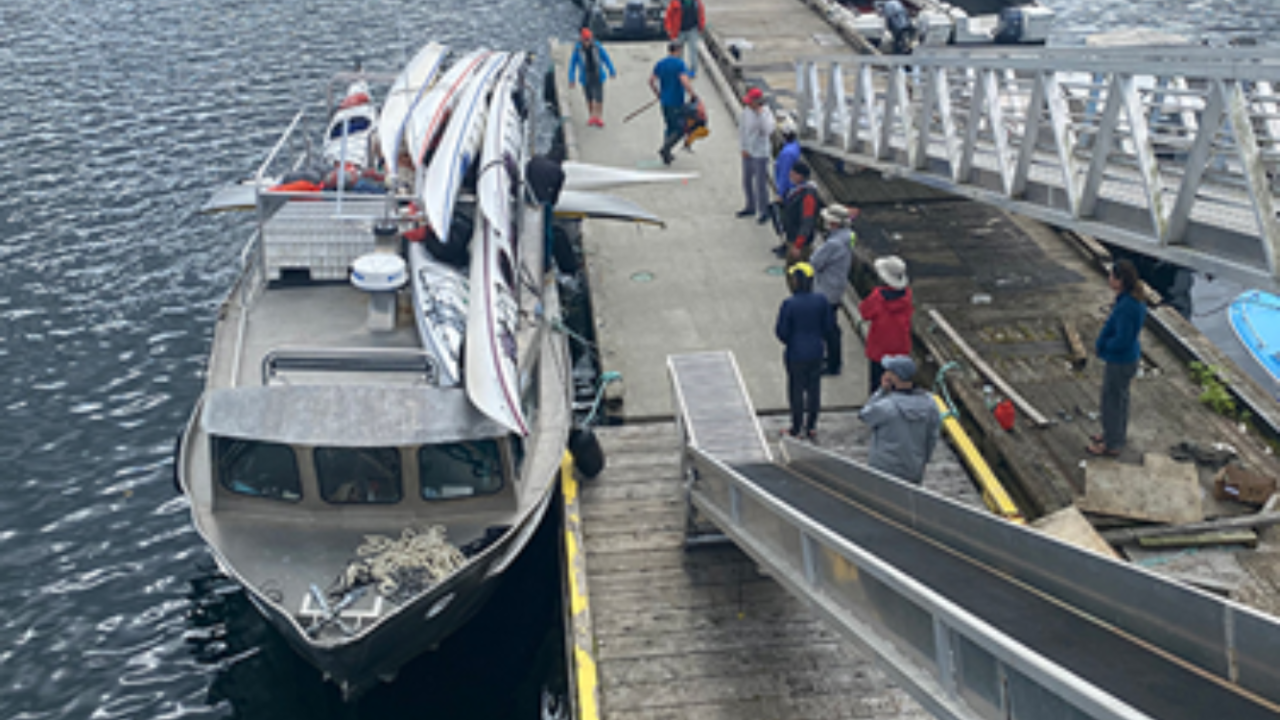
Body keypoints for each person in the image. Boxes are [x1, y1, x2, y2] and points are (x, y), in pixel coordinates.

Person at [1088, 259, 1148, 457]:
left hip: (1120, 360)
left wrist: (1104, 347)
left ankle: (1112, 444)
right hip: (1128, 358)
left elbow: (1123, 338)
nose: (1109, 279)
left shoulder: (1126, 307)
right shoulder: (1132, 300)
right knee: (1120, 399)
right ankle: (1114, 435)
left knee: (1111, 401)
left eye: (1112, 276)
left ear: (1121, 281)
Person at [858, 354, 940, 484]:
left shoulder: (886, 407)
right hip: (913, 469)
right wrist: (923, 462)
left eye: (888, 372)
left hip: (884, 470)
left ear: (894, 378)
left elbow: (865, 415)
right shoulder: (929, 403)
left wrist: (882, 391)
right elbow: (932, 436)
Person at [775, 262, 834, 441]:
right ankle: (811, 426)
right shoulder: (821, 301)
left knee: (796, 391)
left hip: (796, 353)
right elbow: (829, 327)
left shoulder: (789, 304)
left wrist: (792, 340)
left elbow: (781, 331)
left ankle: (796, 427)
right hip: (816, 351)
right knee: (814, 390)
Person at [810, 204, 858, 375]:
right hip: (836, 286)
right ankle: (832, 358)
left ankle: (833, 364)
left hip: (826, 289)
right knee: (830, 326)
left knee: (828, 329)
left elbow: (815, 262)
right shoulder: (847, 237)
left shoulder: (834, 244)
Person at [858, 255, 913, 395]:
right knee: (898, 385)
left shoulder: (878, 297)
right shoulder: (907, 296)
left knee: (877, 384)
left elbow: (864, 312)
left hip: (880, 348)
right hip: (900, 347)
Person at [649, 41, 697, 165]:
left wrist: (658, 94)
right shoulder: (679, 64)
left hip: (664, 102)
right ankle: (665, 149)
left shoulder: (660, 64)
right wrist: (692, 94)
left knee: (669, 126)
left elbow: (651, 81)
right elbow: (684, 80)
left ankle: (667, 154)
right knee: (680, 129)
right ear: (678, 50)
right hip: (676, 101)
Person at [737, 88, 775, 223]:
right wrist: (743, 147)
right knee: (746, 180)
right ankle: (750, 206)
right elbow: (742, 130)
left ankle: (763, 210)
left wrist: (761, 116)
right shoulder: (746, 112)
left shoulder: (766, 113)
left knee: (760, 184)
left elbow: (767, 131)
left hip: (760, 152)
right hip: (748, 150)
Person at [568, 28, 616, 128]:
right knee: (589, 98)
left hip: (598, 74)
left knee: (599, 98)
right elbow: (572, 65)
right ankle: (592, 116)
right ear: (581, 39)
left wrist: (611, 70)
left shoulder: (598, 47)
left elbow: (606, 59)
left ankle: (599, 117)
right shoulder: (577, 50)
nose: (587, 42)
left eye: (589, 39)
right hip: (586, 76)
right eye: (585, 40)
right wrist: (571, 79)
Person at [775, 160, 820, 260]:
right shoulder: (796, 191)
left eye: (794, 173)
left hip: (799, 242)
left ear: (800, 176)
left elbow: (807, 222)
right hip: (792, 237)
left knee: (796, 271)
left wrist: (798, 245)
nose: (790, 174)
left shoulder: (808, 196)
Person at [663, 0, 706, 78]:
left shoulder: (697, 3)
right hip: (679, 31)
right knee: (678, 52)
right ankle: (678, 70)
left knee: (693, 50)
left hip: (693, 29)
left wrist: (701, 27)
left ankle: (693, 70)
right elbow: (669, 15)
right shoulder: (675, 3)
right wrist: (668, 28)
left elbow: (701, 14)